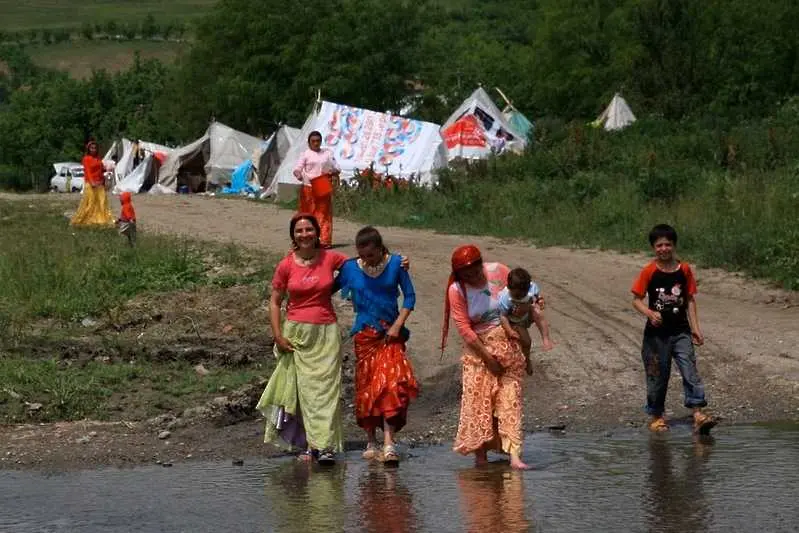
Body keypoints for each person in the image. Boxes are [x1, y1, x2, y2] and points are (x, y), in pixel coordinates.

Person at [256, 213, 349, 465]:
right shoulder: (286, 265)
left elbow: (361, 265)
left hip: (326, 332)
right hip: (296, 333)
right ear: (293, 236)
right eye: (299, 231)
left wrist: (396, 262)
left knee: (326, 391)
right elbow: (275, 302)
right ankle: (309, 446)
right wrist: (277, 335)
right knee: (302, 392)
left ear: (317, 233)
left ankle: (325, 446)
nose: (305, 234)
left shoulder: (330, 258)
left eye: (309, 229)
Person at [442, 245, 538, 470]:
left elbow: (524, 289)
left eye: (475, 270)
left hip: (508, 346)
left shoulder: (498, 271)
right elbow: (464, 329)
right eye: (466, 274)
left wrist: (535, 303)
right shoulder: (457, 290)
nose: (473, 276)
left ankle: (514, 455)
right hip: (479, 352)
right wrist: (488, 359)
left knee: (510, 400)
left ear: (480, 264)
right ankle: (481, 457)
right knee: (480, 405)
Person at [335, 226, 418, 465]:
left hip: (390, 335)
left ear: (381, 249)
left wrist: (397, 325)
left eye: (371, 255)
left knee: (391, 385)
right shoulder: (351, 268)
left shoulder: (396, 265)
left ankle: (389, 443)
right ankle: (371, 441)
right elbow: (328, 285)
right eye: (362, 255)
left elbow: (410, 297)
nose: (367, 261)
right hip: (365, 336)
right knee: (369, 389)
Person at [631, 224, 717, 434]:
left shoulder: (684, 269)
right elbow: (636, 300)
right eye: (659, 245)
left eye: (667, 244)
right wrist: (650, 313)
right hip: (656, 336)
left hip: (681, 331)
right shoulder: (649, 271)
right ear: (653, 248)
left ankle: (697, 413)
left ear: (674, 245)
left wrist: (696, 328)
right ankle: (657, 416)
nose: (664, 249)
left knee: (690, 370)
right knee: (657, 375)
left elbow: (690, 300)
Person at [498, 267, 554, 375]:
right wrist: (509, 330)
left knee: (538, 312)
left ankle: (546, 338)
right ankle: (527, 360)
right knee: (527, 342)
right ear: (509, 288)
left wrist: (540, 301)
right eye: (517, 295)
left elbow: (537, 297)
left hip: (528, 313)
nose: (519, 297)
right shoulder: (505, 297)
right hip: (516, 321)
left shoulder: (531, 288)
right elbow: (503, 316)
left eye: (523, 294)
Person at [293, 131, 340, 248]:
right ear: (308, 143)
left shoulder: (327, 153)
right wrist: (298, 174)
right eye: (313, 141)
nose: (316, 143)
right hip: (308, 187)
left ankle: (324, 241)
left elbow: (337, 167)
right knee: (306, 213)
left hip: (322, 185)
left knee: (324, 214)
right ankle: (304, 239)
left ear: (321, 141)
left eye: (318, 141)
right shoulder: (305, 154)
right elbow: (298, 168)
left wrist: (332, 171)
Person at [70, 139, 114, 226]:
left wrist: (107, 169)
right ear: (88, 149)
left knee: (101, 202)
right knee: (90, 203)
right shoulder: (86, 159)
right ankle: (84, 219)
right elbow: (88, 171)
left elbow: (101, 169)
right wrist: (92, 182)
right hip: (90, 184)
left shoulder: (98, 159)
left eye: (95, 148)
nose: (93, 150)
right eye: (92, 148)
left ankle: (101, 219)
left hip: (100, 183)